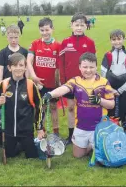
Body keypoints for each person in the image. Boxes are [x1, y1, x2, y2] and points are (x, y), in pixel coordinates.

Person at [43, 52, 114, 158]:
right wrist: (50, 94)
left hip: (99, 127)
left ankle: (95, 144)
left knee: (102, 155)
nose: (88, 70)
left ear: (96, 67)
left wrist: (100, 101)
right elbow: (64, 88)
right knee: (78, 156)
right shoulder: (76, 81)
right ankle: (90, 146)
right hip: (81, 126)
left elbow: (111, 105)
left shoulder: (104, 82)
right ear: (80, 67)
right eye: (85, 67)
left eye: (91, 67)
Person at [58, 13, 96, 145]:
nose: (79, 27)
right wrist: (63, 80)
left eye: (82, 25)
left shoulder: (90, 42)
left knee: (85, 107)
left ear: (86, 26)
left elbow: (93, 64)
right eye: (76, 25)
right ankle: (70, 135)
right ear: (72, 25)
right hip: (70, 82)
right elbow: (61, 62)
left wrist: (92, 79)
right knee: (70, 107)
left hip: (86, 82)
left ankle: (85, 133)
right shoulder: (65, 42)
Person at [0, 53, 45, 159]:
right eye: (15, 65)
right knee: (10, 155)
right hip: (9, 130)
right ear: (9, 68)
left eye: (21, 65)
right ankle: (17, 146)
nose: (18, 68)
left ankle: (25, 145)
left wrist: (39, 128)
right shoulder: (4, 84)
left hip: (26, 130)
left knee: (32, 156)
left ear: (25, 67)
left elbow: (39, 108)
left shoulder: (30, 85)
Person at [26, 17, 61, 135]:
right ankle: (42, 131)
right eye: (42, 30)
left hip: (53, 84)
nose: (45, 33)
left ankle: (56, 132)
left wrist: (59, 80)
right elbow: (28, 61)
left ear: (52, 29)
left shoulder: (58, 46)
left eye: (47, 30)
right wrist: (34, 76)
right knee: (41, 108)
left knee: (53, 107)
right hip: (39, 84)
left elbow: (60, 66)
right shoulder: (35, 44)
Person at [101, 29, 126, 123]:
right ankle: (110, 128)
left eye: (119, 39)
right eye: (114, 39)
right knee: (111, 109)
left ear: (124, 39)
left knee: (125, 109)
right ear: (111, 41)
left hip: (125, 88)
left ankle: (125, 127)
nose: (117, 42)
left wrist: (121, 90)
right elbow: (103, 73)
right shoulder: (107, 55)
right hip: (110, 87)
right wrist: (110, 89)